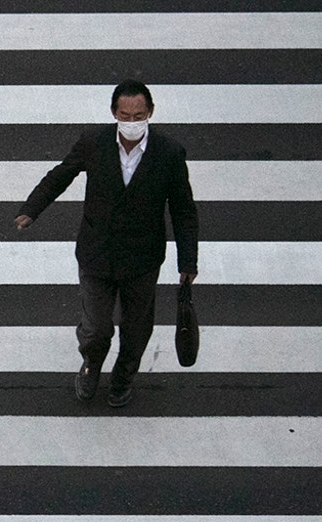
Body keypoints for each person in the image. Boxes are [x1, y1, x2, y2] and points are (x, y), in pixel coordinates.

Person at [15, 80, 199, 408]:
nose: (132, 122)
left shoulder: (169, 153)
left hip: (141, 259)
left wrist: (188, 263)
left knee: (137, 330)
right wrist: (32, 209)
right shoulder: (94, 142)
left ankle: (123, 377)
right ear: (114, 113)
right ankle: (92, 364)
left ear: (151, 113)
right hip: (96, 253)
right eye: (125, 115)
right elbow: (61, 175)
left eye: (138, 115)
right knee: (96, 328)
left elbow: (184, 210)